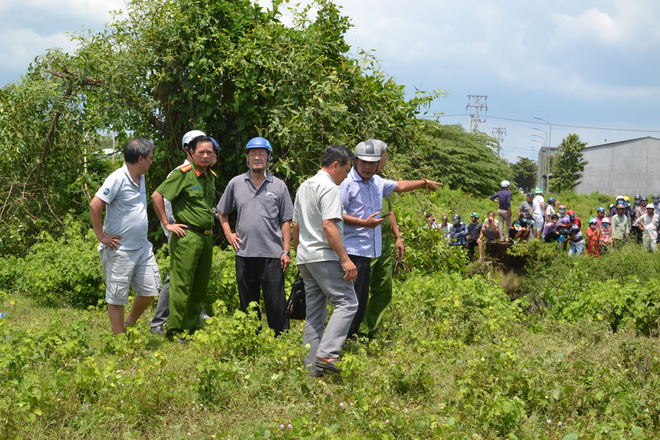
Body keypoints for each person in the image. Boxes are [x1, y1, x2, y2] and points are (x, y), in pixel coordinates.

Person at [340, 139, 440, 339]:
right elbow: (336, 214)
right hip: (352, 252)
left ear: (378, 163)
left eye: (372, 163)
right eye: (363, 162)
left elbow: (400, 186)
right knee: (351, 300)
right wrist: (363, 223)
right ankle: (342, 341)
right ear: (355, 161)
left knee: (361, 297)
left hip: (370, 251)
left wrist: (424, 183)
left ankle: (355, 338)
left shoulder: (377, 182)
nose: (368, 167)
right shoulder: (346, 183)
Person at [217, 137, 294, 336]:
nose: (257, 157)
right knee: (248, 302)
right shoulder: (236, 183)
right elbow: (221, 211)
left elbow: (286, 220)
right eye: (252, 154)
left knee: (275, 301)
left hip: (272, 254)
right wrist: (228, 233)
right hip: (244, 253)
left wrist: (286, 250)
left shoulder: (279, 186)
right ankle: (251, 337)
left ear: (269, 158)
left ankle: (281, 338)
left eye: (261, 153)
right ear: (247, 158)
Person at [292, 145, 358, 376]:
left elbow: (296, 225)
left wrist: (300, 254)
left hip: (306, 257)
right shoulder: (329, 188)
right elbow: (329, 225)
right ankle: (327, 354)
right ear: (335, 165)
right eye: (347, 170)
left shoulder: (304, 186)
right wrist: (345, 259)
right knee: (347, 303)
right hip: (324, 256)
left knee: (315, 314)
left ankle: (311, 370)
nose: (347, 176)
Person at [90, 138, 160, 335]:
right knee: (117, 297)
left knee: (150, 290)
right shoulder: (117, 178)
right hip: (120, 250)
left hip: (142, 247)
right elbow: (95, 205)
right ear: (140, 159)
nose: (151, 162)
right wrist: (101, 236)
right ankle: (119, 341)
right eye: (150, 159)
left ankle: (129, 323)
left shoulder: (141, 176)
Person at [152, 135, 217, 340]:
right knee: (181, 286)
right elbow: (157, 195)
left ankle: (189, 329)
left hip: (206, 238)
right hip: (187, 236)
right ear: (190, 152)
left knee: (199, 286)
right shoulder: (183, 174)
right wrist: (167, 224)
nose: (206, 156)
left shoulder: (210, 176)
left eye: (209, 152)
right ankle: (175, 330)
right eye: (201, 152)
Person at [364, 140, 405, 339]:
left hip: (385, 241)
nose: (386, 160)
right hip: (365, 240)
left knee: (384, 287)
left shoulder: (382, 183)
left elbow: (389, 211)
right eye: (385, 157)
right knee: (361, 287)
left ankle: (371, 328)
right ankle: (359, 330)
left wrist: (398, 236)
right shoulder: (362, 180)